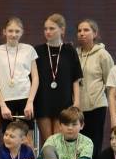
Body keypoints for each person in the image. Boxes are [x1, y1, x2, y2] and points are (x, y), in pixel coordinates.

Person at [33, 13, 82, 142]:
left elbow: (75, 79)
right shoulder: (37, 51)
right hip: (43, 101)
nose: (48, 32)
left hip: (63, 101)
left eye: (52, 28)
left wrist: (77, 101)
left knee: (59, 140)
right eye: (45, 29)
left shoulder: (69, 50)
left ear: (62, 29)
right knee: (48, 141)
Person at [0, 17, 39, 142]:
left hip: (25, 98)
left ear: (22, 32)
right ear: (4, 32)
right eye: (10, 31)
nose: (14, 34)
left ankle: (28, 156)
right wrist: (2, 105)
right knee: (9, 139)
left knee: (27, 139)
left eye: (17, 31)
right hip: (6, 100)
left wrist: (30, 102)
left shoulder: (29, 50)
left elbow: (35, 78)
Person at [76, 19, 114, 152]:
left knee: (94, 144)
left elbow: (111, 84)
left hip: (96, 106)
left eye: (86, 30)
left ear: (95, 33)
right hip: (78, 108)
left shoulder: (103, 55)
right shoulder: (74, 54)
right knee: (78, 145)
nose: (82, 33)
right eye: (79, 30)